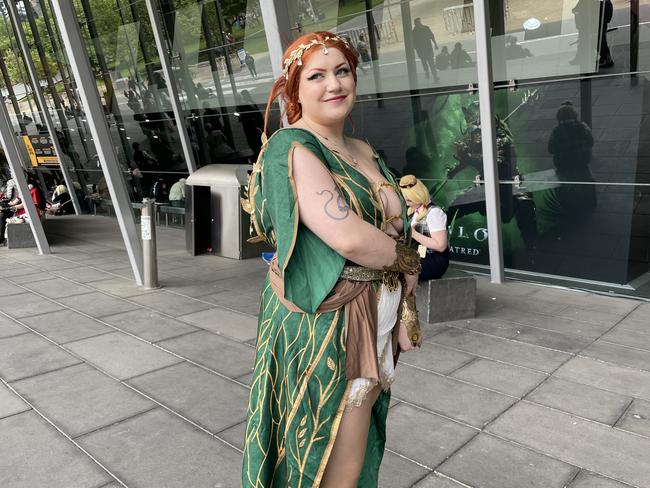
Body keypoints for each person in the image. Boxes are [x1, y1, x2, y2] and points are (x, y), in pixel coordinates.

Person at [241, 32, 421, 488]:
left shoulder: (363, 150)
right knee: (332, 448)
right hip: (329, 322)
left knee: (357, 440)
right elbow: (350, 238)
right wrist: (411, 262)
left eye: (342, 71)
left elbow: (395, 225)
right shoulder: (294, 145)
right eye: (316, 76)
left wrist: (404, 296)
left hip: (374, 311)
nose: (333, 84)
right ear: (293, 90)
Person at [399, 175, 449, 281]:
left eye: (410, 198)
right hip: (417, 257)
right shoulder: (412, 212)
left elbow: (441, 246)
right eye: (406, 198)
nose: (407, 201)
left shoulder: (434, 213)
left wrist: (413, 234)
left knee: (397, 271)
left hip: (433, 261)